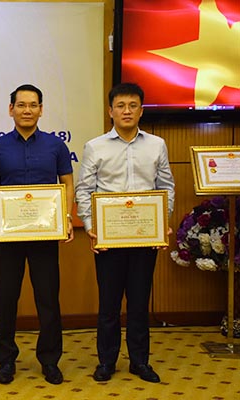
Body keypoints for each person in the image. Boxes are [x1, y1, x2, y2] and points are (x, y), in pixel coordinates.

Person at [75, 82, 175, 384]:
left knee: (139, 303)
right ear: (110, 111)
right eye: (121, 106)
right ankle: (106, 361)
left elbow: (166, 187)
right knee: (108, 304)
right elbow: (84, 190)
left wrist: (161, 222)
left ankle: (139, 362)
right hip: (109, 239)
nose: (127, 111)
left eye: (133, 105)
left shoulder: (157, 145)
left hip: (145, 236)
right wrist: (91, 229)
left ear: (141, 110)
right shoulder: (95, 146)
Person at [0, 84, 74, 386]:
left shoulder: (55, 146)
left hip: (44, 234)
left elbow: (67, 182)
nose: (27, 110)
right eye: (21, 105)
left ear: (41, 110)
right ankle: (6, 360)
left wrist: (66, 216)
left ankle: (49, 360)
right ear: (11, 109)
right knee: (6, 299)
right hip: (9, 234)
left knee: (48, 299)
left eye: (33, 105)